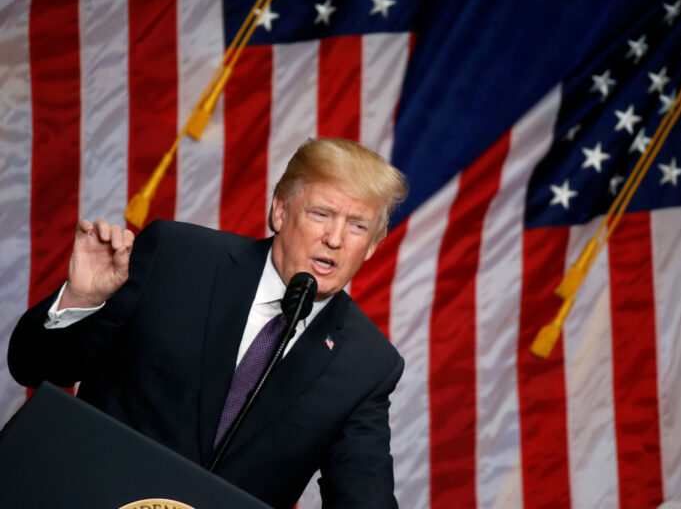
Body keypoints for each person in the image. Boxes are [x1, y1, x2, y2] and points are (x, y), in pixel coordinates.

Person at [8, 138, 408, 509]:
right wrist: (81, 300)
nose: (335, 239)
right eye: (321, 214)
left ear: (374, 243)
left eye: (357, 225)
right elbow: (34, 367)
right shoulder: (176, 258)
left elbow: (363, 494)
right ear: (280, 210)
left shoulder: (366, 363)